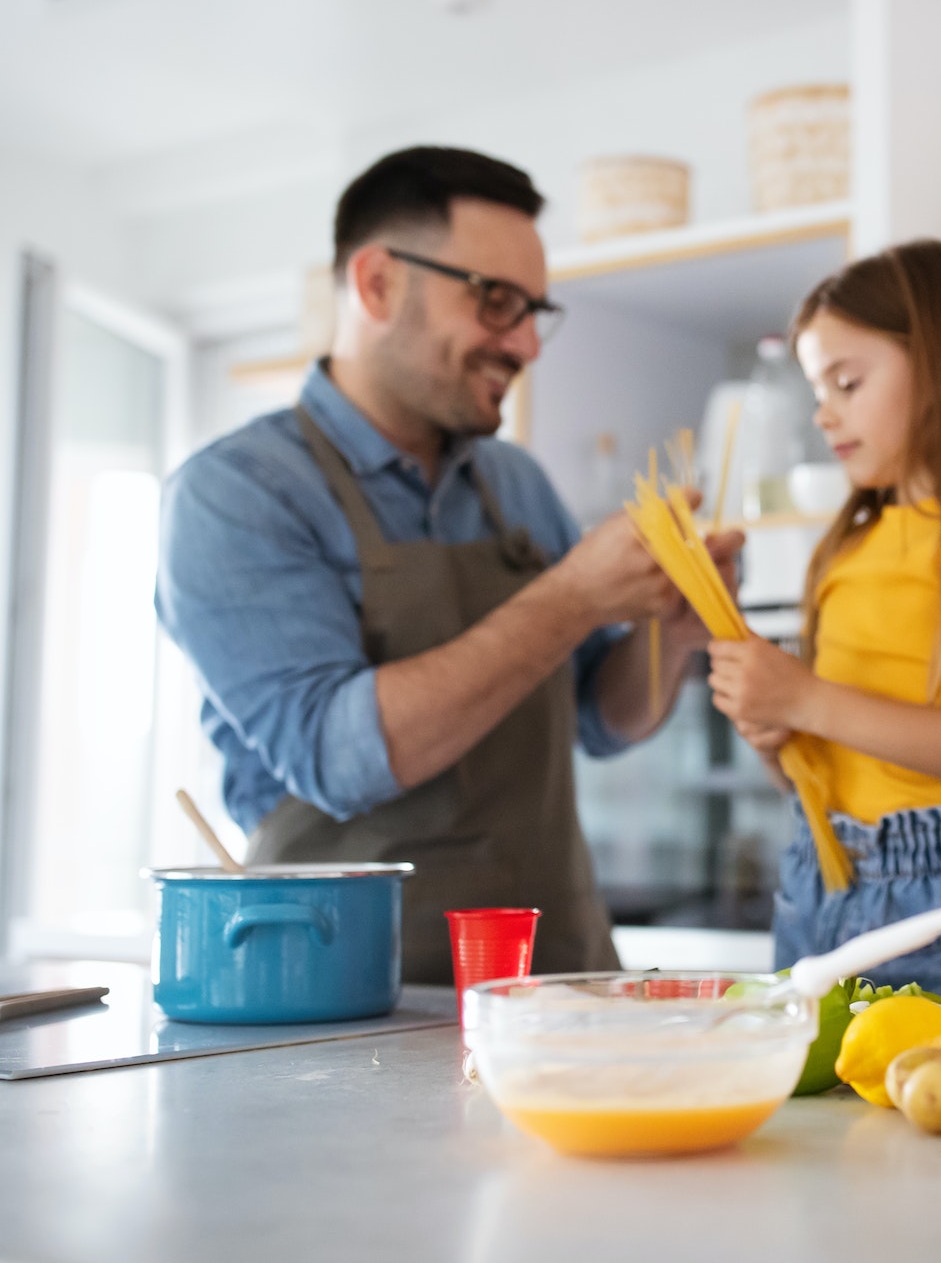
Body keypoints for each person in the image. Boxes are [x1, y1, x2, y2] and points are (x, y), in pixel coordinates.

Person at [156, 147, 735, 982]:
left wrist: (672, 633)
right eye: (497, 302)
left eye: (536, 310)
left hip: (554, 981)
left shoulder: (514, 484)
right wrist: (572, 597)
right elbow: (338, 755)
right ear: (378, 284)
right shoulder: (235, 495)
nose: (528, 342)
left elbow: (599, 722)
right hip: (347, 1001)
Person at [705, 240, 941, 1009]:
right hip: (819, 880)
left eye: (847, 381)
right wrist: (775, 730)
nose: (823, 412)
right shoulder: (845, 543)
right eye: (820, 388)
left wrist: (806, 700)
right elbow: (829, 764)